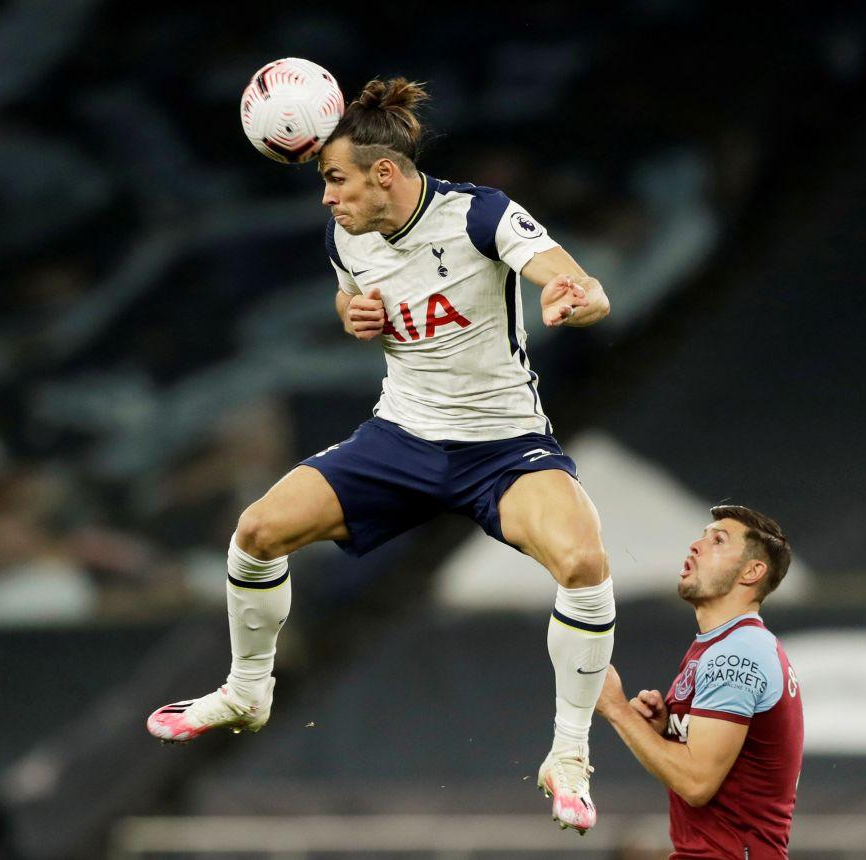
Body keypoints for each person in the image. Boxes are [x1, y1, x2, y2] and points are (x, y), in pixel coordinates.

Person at [147, 77, 615, 834]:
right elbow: (351, 295)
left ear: (384, 174)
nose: (327, 199)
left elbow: (571, 276)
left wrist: (574, 296)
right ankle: (246, 689)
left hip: (503, 449)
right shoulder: (346, 235)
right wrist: (352, 312)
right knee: (256, 533)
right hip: (400, 438)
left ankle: (567, 756)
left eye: (335, 180)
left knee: (585, 566)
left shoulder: (480, 213)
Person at [596, 505, 804, 858]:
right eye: (702, 536)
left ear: (752, 571)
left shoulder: (737, 652)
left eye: (718, 540)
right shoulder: (716, 647)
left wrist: (617, 709)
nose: (696, 545)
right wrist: (667, 731)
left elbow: (696, 782)